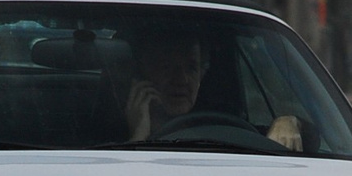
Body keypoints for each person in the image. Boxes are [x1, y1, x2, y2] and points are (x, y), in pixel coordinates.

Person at [124, 31, 302, 150]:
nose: (182, 79)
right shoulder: (105, 137)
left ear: (202, 74)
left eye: (192, 68)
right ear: (144, 71)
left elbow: (315, 136)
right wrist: (138, 135)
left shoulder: (226, 131)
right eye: (167, 66)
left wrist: (288, 122)